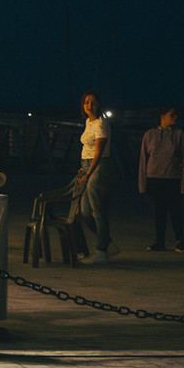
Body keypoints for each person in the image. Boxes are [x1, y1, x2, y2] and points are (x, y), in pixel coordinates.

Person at [138, 104, 184, 252]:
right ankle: (159, 241)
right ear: (162, 116)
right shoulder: (150, 135)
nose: (175, 117)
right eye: (171, 114)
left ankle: (180, 241)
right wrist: (142, 184)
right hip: (155, 178)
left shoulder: (180, 135)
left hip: (173, 178)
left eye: (175, 114)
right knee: (159, 210)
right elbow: (143, 159)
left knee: (176, 210)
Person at [72, 91, 115, 264]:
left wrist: (89, 172)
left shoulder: (100, 124)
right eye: (86, 102)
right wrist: (84, 168)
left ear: (99, 105)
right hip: (87, 165)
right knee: (85, 212)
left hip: (99, 166)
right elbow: (88, 149)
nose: (89, 105)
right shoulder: (88, 122)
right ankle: (106, 241)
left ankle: (101, 251)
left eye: (92, 102)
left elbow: (99, 152)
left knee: (98, 210)